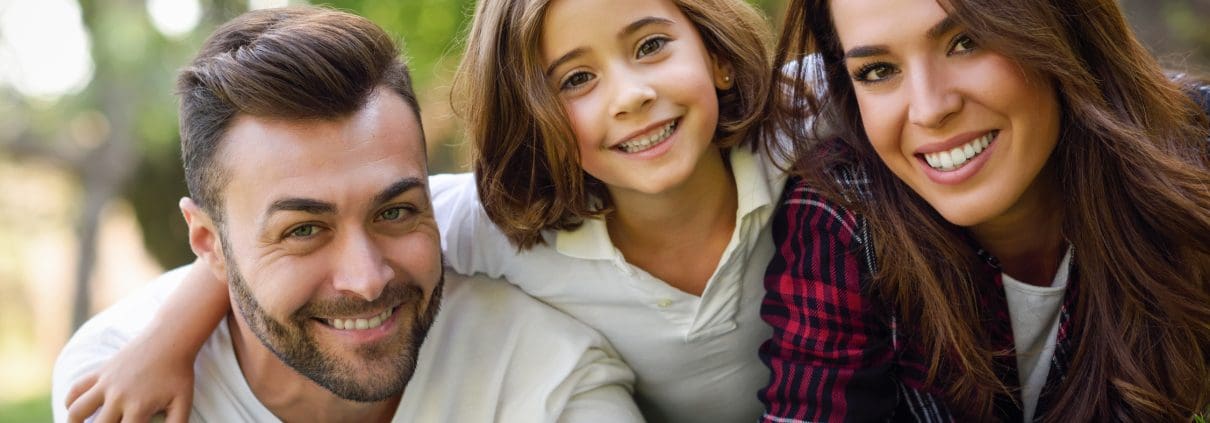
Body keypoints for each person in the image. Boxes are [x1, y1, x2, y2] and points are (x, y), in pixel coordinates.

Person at [62, 0, 784, 421]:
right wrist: (168, 340)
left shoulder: (548, 378)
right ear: (208, 244)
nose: (367, 275)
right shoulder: (117, 389)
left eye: (395, 213)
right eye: (304, 228)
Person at [759, 0, 1210, 421]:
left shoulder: (1194, 164)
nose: (930, 109)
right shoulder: (842, 218)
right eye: (878, 70)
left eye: (967, 41)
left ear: (1061, 26)